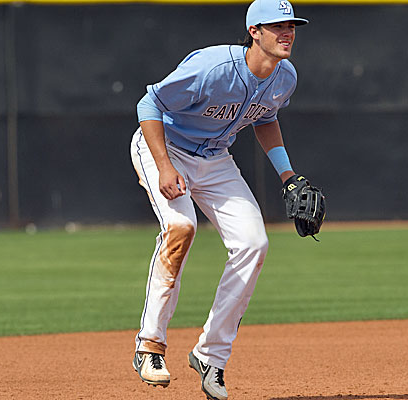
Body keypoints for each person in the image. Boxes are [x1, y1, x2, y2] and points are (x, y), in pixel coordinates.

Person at [130, 1, 309, 399]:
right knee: (181, 227)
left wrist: (288, 176)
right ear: (254, 32)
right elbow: (149, 103)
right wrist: (163, 166)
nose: (287, 32)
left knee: (253, 244)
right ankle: (150, 345)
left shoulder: (285, 77)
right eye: (276, 26)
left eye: (292, 25)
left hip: (215, 159)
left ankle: (211, 355)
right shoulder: (213, 68)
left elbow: (265, 118)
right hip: (165, 147)